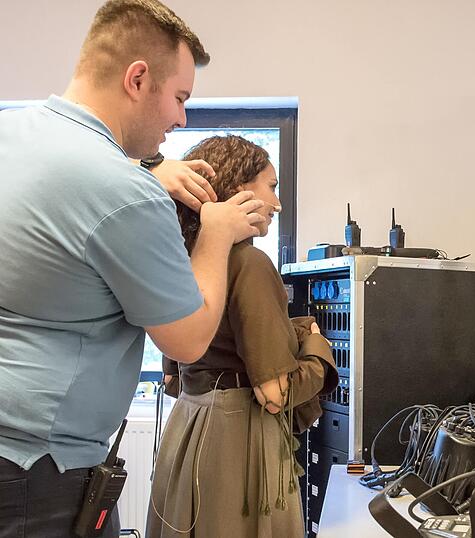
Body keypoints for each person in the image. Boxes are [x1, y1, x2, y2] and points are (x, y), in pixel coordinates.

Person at [0, 1, 264, 536]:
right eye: (180, 98)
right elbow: (186, 339)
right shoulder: (124, 192)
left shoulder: (14, 133)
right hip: (42, 475)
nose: (181, 119)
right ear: (138, 79)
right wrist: (214, 234)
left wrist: (140, 169)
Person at [146, 135, 339, 538]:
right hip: (237, 441)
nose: (277, 203)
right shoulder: (250, 263)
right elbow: (275, 395)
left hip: (188, 425)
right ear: (237, 191)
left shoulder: (183, 257)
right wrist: (319, 348)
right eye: (272, 187)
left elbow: (172, 378)